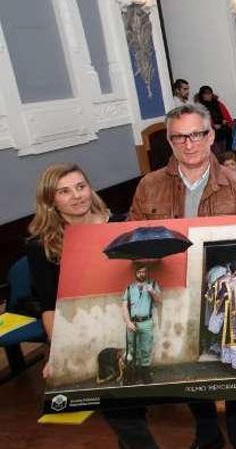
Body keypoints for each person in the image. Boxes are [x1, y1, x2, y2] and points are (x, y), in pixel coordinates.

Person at [129, 103, 236, 449]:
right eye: (179, 137)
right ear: (169, 141)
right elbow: (135, 243)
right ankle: (208, 433)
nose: (189, 144)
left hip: (220, 289)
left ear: (211, 135)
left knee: (232, 372)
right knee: (191, 371)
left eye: (196, 134)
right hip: (173, 290)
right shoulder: (148, 186)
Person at [26, 164, 157, 446]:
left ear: (90, 188)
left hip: (127, 322)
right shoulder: (41, 245)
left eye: (80, 186)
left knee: (134, 407)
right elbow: (49, 305)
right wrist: (58, 350)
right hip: (83, 331)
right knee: (123, 415)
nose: (76, 196)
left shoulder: (121, 224)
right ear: (51, 200)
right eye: (64, 191)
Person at [122, 263, 162, 384]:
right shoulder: (129, 288)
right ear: (136, 273)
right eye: (139, 272)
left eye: (144, 272)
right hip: (132, 323)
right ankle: (131, 375)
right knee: (132, 350)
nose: (142, 274)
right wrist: (128, 322)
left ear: (146, 273)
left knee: (146, 349)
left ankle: (145, 374)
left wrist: (152, 292)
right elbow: (124, 306)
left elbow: (159, 301)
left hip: (146, 322)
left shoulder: (153, 285)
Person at [194, 85, 233, 152]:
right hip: (211, 133)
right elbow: (201, 121)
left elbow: (228, 118)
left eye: (210, 93)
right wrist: (212, 126)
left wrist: (225, 122)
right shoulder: (199, 107)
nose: (208, 95)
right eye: (206, 94)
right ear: (202, 95)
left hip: (224, 130)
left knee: (228, 150)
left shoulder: (218, 104)